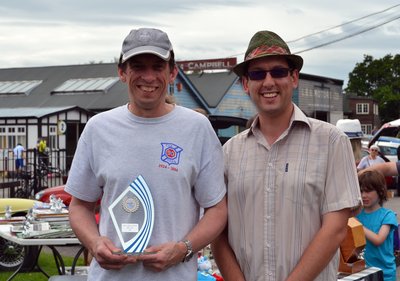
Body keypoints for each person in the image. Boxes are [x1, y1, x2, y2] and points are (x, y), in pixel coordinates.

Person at [65, 27, 227, 281]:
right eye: (138, 66)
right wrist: (95, 243)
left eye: (157, 67)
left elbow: (217, 210)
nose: (148, 77)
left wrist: (182, 249)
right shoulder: (98, 128)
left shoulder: (197, 128)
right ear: (122, 72)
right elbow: (79, 207)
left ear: (172, 72)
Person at [210, 30, 362, 281]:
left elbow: (335, 229)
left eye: (278, 72)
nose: (268, 82)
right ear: (246, 84)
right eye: (258, 74)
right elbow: (218, 233)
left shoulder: (331, 141)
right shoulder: (229, 153)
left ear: (294, 78)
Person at [356, 170, 398, 281]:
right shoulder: (357, 215)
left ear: (380, 191)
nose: (364, 195)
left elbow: (378, 240)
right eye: (361, 191)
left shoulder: (388, 215)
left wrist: (358, 225)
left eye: (368, 191)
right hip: (363, 272)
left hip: (385, 274)